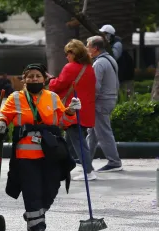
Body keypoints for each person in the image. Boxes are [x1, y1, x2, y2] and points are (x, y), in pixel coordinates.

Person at [0, 63, 80, 231]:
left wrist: (71, 111)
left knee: (52, 187)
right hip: (25, 155)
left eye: (38, 76)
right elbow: (4, 115)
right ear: (24, 79)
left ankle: (34, 215)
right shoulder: (15, 97)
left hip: (51, 152)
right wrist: (1, 123)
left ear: (44, 79)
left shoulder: (53, 97)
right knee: (31, 190)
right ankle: (37, 227)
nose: (34, 79)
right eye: (30, 76)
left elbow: (63, 121)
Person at [48, 39, 97, 181]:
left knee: (78, 141)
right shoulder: (89, 68)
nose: (66, 56)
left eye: (68, 53)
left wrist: (50, 81)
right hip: (85, 109)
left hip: (72, 110)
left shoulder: (70, 67)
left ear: (74, 53)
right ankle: (62, 168)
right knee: (68, 141)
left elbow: (58, 85)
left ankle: (88, 171)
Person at [86, 35, 123, 172]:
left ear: (95, 48)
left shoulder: (99, 63)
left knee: (103, 133)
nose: (86, 49)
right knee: (93, 132)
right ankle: (86, 158)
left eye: (88, 46)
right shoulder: (110, 59)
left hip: (101, 102)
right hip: (109, 99)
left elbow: (95, 86)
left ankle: (114, 162)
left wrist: (89, 102)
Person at [99, 24, 135, 93]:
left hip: (124, 76)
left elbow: (114, 57)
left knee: (126, 95)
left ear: (109, 35)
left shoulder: (117, 44)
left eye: (104, 34)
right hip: (117, 75)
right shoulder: (108, 44)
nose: (102, 36)